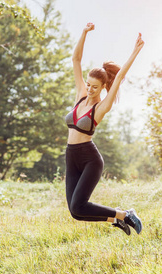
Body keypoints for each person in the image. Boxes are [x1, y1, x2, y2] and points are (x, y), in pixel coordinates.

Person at [64, 22, 144, 235]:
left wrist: (134, 52)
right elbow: (76, 59)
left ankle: (126, 214)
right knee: (75, 211)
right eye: (88, 84)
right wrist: (83, 33)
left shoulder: (101, 107)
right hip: (71, 156)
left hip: (90, 158)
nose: (89, 89)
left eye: (95, 87)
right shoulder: (81, 94)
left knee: (79, 205)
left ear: (103, 88)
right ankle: (117, 218)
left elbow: (118, 77)